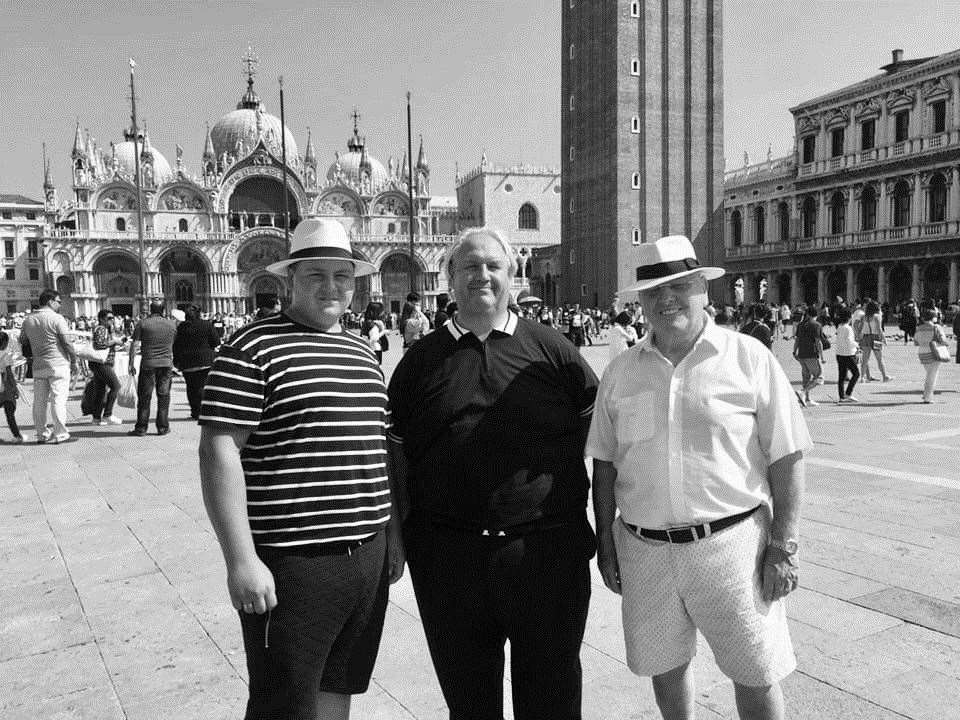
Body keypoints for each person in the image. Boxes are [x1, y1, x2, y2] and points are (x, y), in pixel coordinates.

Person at [587, 235, 810, 720]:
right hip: (644, 550)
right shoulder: (621, 372)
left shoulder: (747, 357)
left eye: (681, 286)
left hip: (732, 546)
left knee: (755, 670)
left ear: (704, 290)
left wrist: (783, 546)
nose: (667, 299)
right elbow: (603, 464)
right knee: (666, 667)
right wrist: (606, 541)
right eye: (654, 292)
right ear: (640, 303)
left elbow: (788, 456)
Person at [387, 226, 599, 720]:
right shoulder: (418, 364)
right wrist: (396, 536)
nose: (481, 275)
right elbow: (394, 456)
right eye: (468, 267)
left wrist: (608, 533)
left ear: (512, 276)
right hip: (449, 561)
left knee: (552, 699)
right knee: (469, 702)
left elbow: (605, 441)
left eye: (493, 266)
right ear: (450, 280)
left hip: (547, 554)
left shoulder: (555, 351)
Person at [198, 218, 403, 720]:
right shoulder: (251, 347)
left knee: (340, 685)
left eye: (342, 275)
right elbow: (218, 448)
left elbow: (377, 450)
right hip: (292, 563)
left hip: (366, 556)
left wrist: (393, 536)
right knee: (283, 703)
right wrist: (241, 560)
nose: (331, 287)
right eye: (316, 275)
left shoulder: (362, 352)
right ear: (291, 279)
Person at [20, 289, 78, 443]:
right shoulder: (57, 318)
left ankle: (42, 434)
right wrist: (74, 360)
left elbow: (23, 343)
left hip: (39, 365)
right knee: (58, 399)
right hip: (58, 364)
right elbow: (67, 342)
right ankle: (60, 433)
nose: (60, 305)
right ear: (50, 301)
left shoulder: (28, 320)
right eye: (58, 302)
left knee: (39, 401)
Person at [127, 301, 177, 436]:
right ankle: (163, 427)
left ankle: (141, 428)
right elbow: (174, 344)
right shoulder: (172, 325)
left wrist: (131, 364)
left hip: (148, 364)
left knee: (145, 397)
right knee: (164, 396)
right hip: (166, 365)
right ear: (163, 310)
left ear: (150, 309)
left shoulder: (143, 323)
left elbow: (135, 345)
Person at [172, 304, 221, 420]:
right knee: (205, 386)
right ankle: (206, 411)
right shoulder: (206, 325)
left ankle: (195, 412)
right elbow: (216, 342)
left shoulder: (182, 327)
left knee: (191, 387)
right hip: (205, 361)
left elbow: (177, 346)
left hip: (187, 362)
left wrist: (177, 360)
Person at [88, 309, 125, 425]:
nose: (111, 320)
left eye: (112, 318)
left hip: (100, 363)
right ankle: (108, 414)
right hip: (102, 364)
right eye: (109, 318)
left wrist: (117, 343)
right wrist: (114, 341)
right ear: (101, 319)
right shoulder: (101, 329)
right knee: (116, 386)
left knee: (100, 390)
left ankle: (96, 417)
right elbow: (100, 345)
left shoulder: (104, 329)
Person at [793, 305, 826, 407]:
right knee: (819, 377)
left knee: (806, 377)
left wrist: (794, 352)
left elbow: (797, 339)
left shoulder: (801, 325)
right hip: (811, 354)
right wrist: (822, 356)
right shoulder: (816, 325)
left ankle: (807, 399)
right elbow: (818, 342)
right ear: (816, 314)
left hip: (801, 354)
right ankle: (802, 391)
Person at [914, 308, 949, 403]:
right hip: (933, 353)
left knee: (929, 374)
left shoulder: (919, 328)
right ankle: (928, 397)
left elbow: (916, 342)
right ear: (933, 318)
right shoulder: (936, 327)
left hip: (922, 353)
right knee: (932, 376)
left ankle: (926, 394)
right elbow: (942, 340)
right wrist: (946, 343)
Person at [858, 300, 892, 382]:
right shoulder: (877, 316)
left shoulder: (864, 317)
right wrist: (884, 339)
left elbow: (860, 328)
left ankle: (862, 377)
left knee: (865, 359)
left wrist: (859, 337)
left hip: (865, 337)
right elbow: (879, 329)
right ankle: (884, 376)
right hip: (876, 337)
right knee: (879, 358)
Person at [0, 330, 24, 443]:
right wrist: (15, 388)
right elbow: (9, 373)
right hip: (5, 387)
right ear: (4, 342)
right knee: (9, 413)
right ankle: (17, 435)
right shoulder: (6, 355)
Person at [833, 307, 860, 403]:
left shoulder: (839, 327)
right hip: (848, 354)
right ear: (849, 317)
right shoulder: (848, 328)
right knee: (856, 374)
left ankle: (841, 396)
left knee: (841, 376)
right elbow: (849, 341)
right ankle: (848, 393)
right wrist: (857, 345)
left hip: (839, 353)